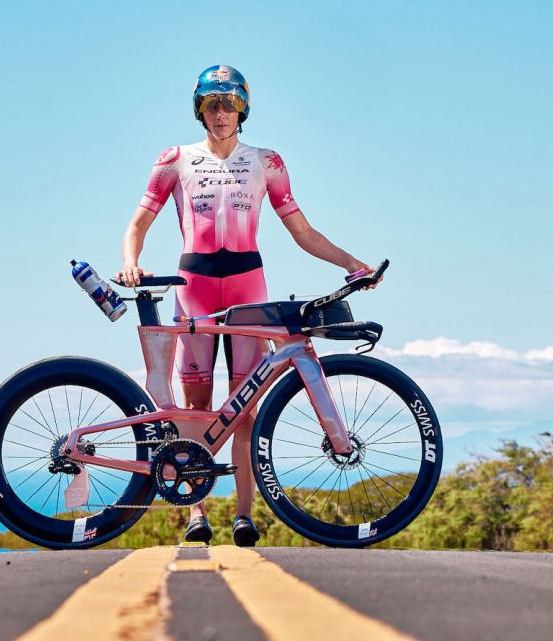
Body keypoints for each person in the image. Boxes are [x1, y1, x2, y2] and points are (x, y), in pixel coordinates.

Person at [118, 65, 372, 547]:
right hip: (194, 287)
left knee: (245, 410)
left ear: (243, 109)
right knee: (193, 411)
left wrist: (351, 263)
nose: (220, 113)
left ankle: (243, 515)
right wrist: (131, 263)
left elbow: (303, 231)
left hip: (247, 287)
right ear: (200, 109)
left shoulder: (267, 162)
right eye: (211, 104)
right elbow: (136, 226)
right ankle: (195, 512)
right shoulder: (175, 159)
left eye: (229, 103)